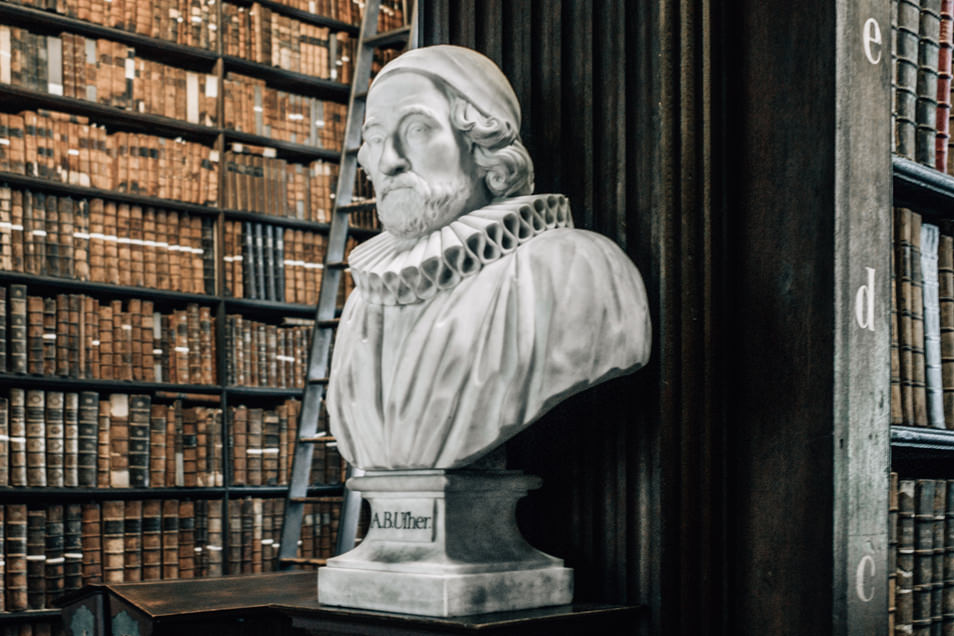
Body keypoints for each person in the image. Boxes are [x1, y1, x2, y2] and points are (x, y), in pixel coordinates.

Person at [326, 45, 651, 470]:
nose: (388, 161)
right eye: (374, 138)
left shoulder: (575, 270)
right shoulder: (360, 306)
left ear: (485, 149)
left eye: (417, 129)